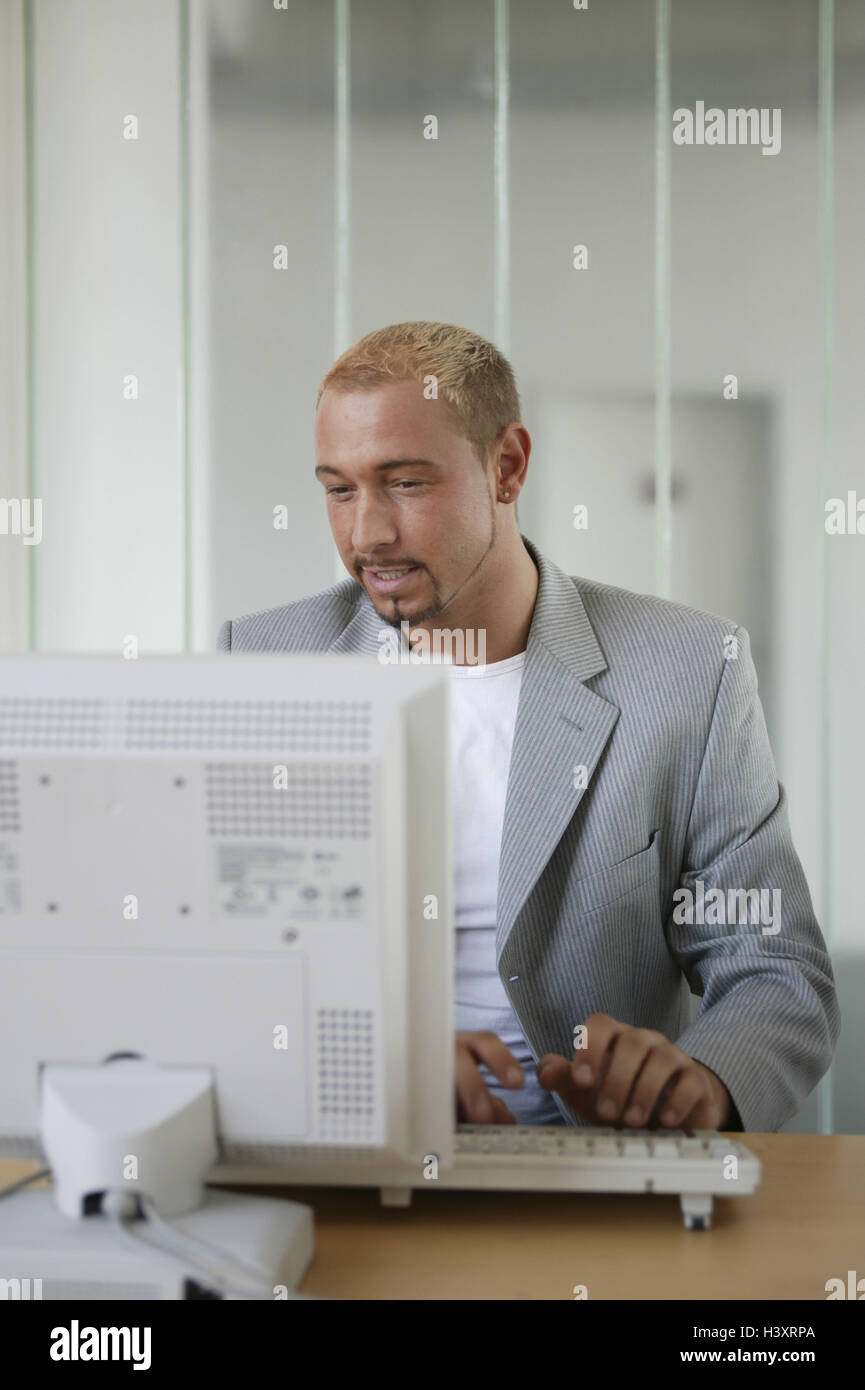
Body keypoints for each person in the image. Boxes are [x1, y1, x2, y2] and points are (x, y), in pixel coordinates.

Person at [219, 320, 840, 1133]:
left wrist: (699, 1079)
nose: (365, 534)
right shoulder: (264, 662)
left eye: (404, 484)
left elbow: (773, 969)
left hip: (595, 1162)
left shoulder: (691, 669)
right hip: (348, 1149)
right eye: (339, 490)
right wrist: (363, 1057)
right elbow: (225, 965)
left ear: (506, 466)